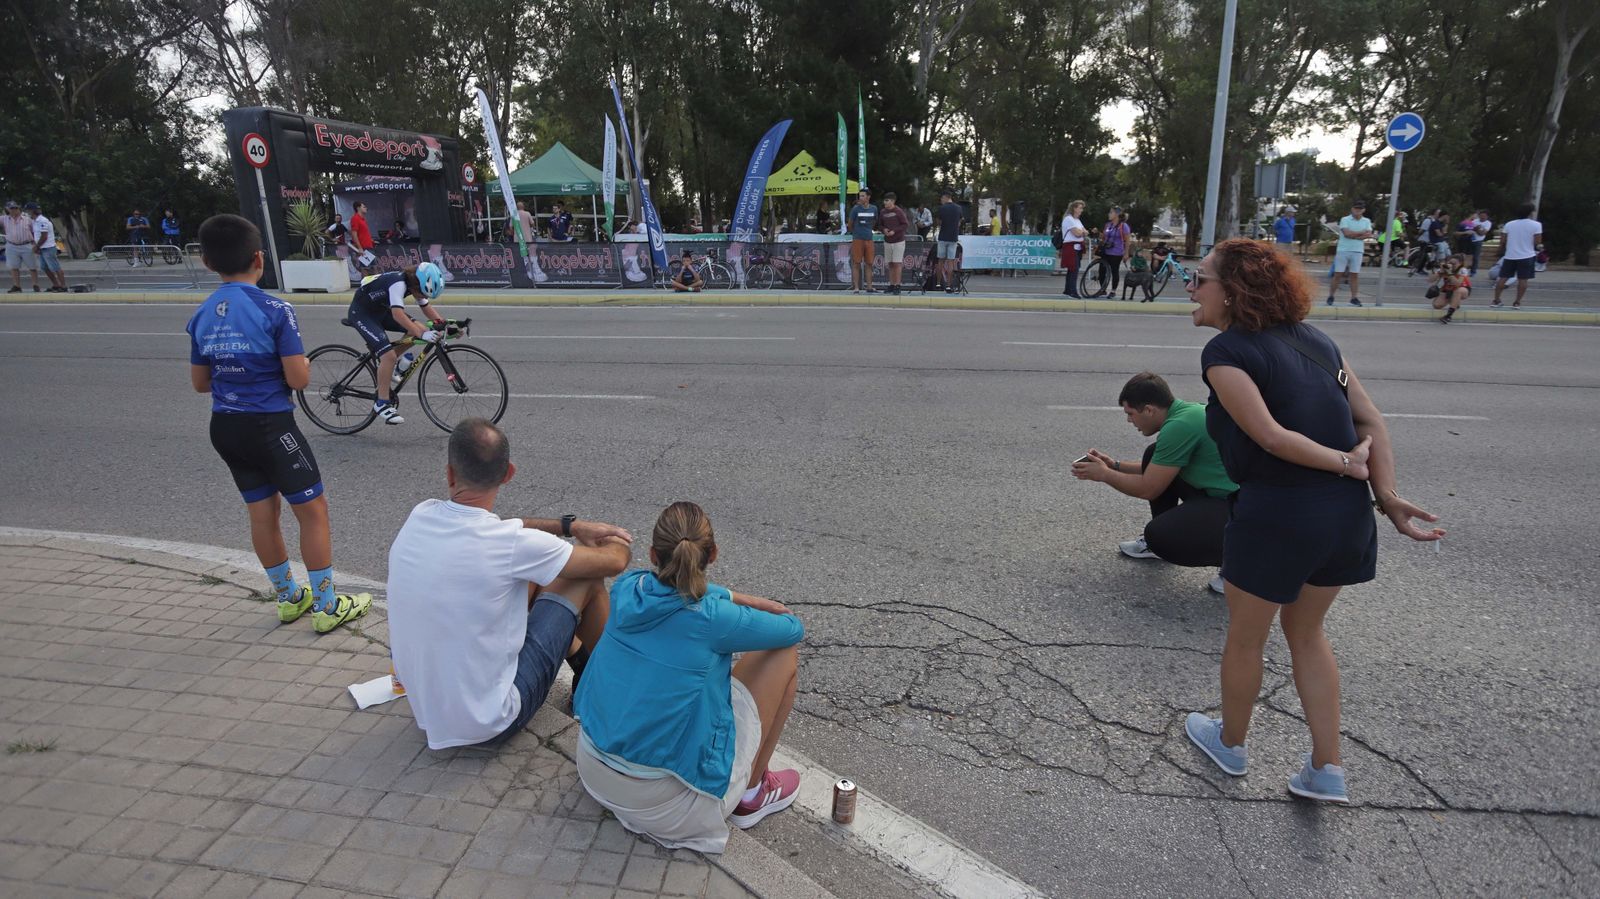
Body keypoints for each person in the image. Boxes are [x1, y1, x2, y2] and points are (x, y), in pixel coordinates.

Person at [1183, 238, 1442, 804]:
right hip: (1343, 519)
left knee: (1247, 639)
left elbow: (1269, 436)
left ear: (1233, 292)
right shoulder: (1322, 343)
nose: (1190, 288)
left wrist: (1345, 462)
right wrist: (1387, 496)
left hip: (1279, 512)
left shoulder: (1225, 353)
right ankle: (1327, 769)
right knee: (1307, 633)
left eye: (1200, 279)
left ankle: (1230, 745)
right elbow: (1372, 419)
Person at [387, 418, 632, 750]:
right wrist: (616, 539)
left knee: (538, 574)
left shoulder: (421, 514)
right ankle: (609, 693)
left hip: (430, 712)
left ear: (449, 473)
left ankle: (580, 661)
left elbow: (507, 528)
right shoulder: (509, 545)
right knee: (585, 579)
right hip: (490, 723)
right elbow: (614, 562)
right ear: (509, 474)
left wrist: (569, 527)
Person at [574, 501, 804, 853]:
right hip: (665, 807)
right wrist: (742, 602)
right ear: (712, 555)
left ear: (652, 554)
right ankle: (753, 793)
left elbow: (668, 591)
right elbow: (791, 629)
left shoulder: (627, 588)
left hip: (592, 769)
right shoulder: (714, 618)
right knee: (782, 655)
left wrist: (731, 595)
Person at [185, 214, 372, 634]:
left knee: (262, 514)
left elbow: (200, 383)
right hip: (271, 426)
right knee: (312, 511)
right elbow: (299, 379)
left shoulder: (200, 316)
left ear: (206, 262)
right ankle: (326, 606)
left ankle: (289, 599)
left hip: (225, 427)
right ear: (259, 259)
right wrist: (299, 362)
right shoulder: (274, 309)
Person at [1073, 372, 1237, 593]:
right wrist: (1114, 465)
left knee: (1160, 536)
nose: (1129, 420)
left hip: (1238, 507)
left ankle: (1239, 567)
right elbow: (1161, 465)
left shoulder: (1179, 426)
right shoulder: (1185, 413)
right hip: (1217, 495)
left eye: (1130, 413)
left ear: (1149, 410)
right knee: (1153, 453)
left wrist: (1104, 475)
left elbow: (1149, 488)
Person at [345, 263, 450, 425]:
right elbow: (397, 314)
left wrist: (447, 326)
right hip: (362, 313)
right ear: (416, 283)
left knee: (417, 328)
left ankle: (389, 366)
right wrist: (422, 334)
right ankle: (381, 403)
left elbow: (426, 308)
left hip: (380, 310)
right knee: (389, 355)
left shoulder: (414, 284)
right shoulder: (398, 283)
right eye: (421, 292)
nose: (421, 295)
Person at [1493, 203, 1542, 309]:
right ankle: (1517, 302)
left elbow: (1503, 241)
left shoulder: (1509, 224)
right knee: (1523, 280)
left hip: (1510, 255)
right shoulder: (1536, 225)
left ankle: (1496, 300)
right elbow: (1537, 242)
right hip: (1527, 255)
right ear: (1530, 213)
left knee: (1503, 278)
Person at [1325, 199, 1372, 306]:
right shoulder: (1345, 219)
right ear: (1352, 208)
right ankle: (1331, 296)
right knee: (1338, 274)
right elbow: (1346, 234)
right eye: (1356, 208)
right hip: (1343, 250)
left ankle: (1354, 297)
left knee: (1354, 275)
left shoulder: (1367, 221)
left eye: (1360, 208)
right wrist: (1360, 233)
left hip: (1357, 250)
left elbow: (1368, 234)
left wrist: (1355, 235)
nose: (1357, 210)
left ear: (1363, 210)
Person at [27, 202, 67, 292]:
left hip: (48, 248)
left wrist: (37, 246)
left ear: (31, 211)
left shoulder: (42, 220)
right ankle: (56, 285)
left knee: (55, 267)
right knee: (44, 267)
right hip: (41, 248)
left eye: (28, 211)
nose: (27, 213)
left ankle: (63, 286)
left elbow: (44, 236)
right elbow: (36, 235)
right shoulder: (34, 221)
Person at [4, 200, 40, 293]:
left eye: (16, 208)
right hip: (11, 245)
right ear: (7, 209)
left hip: (26, 244)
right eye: (11, 208)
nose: (14, 210)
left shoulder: (27, 219)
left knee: (32, 266)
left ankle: (35, 285)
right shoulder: (4, 219)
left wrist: (36, 244)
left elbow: (34, 231)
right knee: (14, 267)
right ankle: (17, 286)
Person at [878, 191, 911, 295]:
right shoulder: (883, 212)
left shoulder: (898, 211)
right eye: (884, 200)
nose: (885, 203)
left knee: (897, 263)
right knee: (890, 264)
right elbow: (879, 225)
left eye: (887, 200)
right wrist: (884, 230)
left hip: (898, 241)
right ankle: (891, 285)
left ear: (892, 201)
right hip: (887, 241)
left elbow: (905, 224)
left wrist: (894, 231)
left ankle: (897, 285)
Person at [848, 189, 879, 294]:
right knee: (856, 263)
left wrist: (869, 230)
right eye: (859, 196)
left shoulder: (874, 208)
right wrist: (855, 233)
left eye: (862, 196)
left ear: (868, 197)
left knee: (869, 263)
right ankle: (856, 287)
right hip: (858, 239)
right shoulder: (855, 209)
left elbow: (875, 221)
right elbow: (850, 224)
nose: (860, 198)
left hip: (869, 239)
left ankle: (869, 286)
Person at [1098, 206, 1133, 296]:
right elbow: (1104, 236)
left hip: (1116, 252)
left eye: (1111, 212)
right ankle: (1103, 289)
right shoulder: (1108, 225)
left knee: (1114, 271)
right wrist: (1098, 234)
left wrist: (1126, 253)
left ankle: (1113, 290)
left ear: (1116, 214)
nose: (1109, 214)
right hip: (1106, 251)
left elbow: (1127, 241)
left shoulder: (1124, 226)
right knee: (1102, 270)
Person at [1429, 254, 1471, 324]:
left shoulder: (1463, 270)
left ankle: (1448, 316)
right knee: (1437, 305)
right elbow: (1430, 280)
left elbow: (1457, 284)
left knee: (1458, 291)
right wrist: (1440, 272)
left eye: (1454, 264)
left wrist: (1449, 273)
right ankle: (1454, 302)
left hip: (1463, 289)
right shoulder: (1444, 268)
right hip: (1448, 289)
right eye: (1450, 263)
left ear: (1460, 264)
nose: (1451, 265)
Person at [935, 190, 964, 293]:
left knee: (941, 261)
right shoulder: (959, 208)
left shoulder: (942, 208)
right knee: (951, 262)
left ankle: (938, 284)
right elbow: (960, 222)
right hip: (953, 238)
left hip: (943, 237)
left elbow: (938, 222)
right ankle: (948, 285)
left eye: (941, 199)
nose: (941, 201)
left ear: (945, 197)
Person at [1060, 200, 1087, 297]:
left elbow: (1084, 231)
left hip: (1077, 247)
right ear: (1074, 208)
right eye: (1080, 208)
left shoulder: (1077, 220)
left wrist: (1081, 232)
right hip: (1071, 247)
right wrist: (1081, 232)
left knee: (1073, 269)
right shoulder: (1069, 219)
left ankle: (1068, 289)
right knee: (1073, 269)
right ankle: (1072, 290)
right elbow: (1077, 233)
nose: (1081, 210)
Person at [347, 202, 375, 273]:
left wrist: (370, 240)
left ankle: (371, 283)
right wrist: (359, 248)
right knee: (365, 268)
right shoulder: (355, 218)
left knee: (372, 268)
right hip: (363, 248)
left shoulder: (362, 219)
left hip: (368, 246)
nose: (366, 208)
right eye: (364, 207)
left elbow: (362, 233)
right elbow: (354, 234)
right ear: (358, 208)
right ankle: (365, 284)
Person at [1468, 209, 1492, 275]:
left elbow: (1482, 233)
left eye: (1484, 216)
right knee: (1466, 255)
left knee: (1476, 257)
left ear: (1487, 216)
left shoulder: (1488, 223)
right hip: (1470, 239)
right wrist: (1477, 229)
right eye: (1481, 215)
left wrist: (1476, 229)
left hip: (1478, 240)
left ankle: (1473, 271)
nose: (1482, 217)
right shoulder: (1475, 221)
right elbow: (1468, 228)